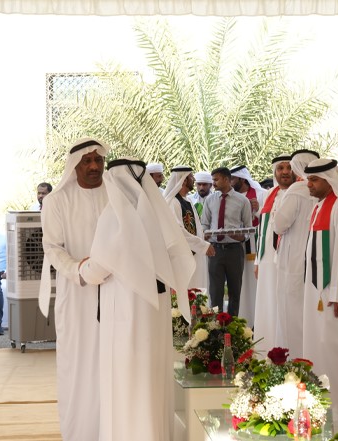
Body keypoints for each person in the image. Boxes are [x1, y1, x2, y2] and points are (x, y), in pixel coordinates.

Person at [78, 158, 194, 441]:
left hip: (125, 311)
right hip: (155, 310)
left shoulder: (115, 215)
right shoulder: (158, 215)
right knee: (152, 377)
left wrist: (81, 268)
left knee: (127, 379)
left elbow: (98, 268)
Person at [39, 137, 109, 441]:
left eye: (98, 160)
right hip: (77, 293)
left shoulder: (117, 195)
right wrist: (78, 269)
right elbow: (53, 247)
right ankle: (80, 432)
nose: (94, 166)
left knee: (113, 361)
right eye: (86, 161)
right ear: (74, 165)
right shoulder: (57, 201)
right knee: (79, 363)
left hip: (116, 293)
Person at [301, 158, 338, 431]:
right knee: (315, 342)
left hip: (331, 291)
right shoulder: (318, 206)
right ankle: (317, 403)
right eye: (308, 179)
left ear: (329, 180)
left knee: (332, 346)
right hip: (314, 290)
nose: (309, 184)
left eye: (314, 180)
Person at [272, 149, 320, 356]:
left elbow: (279, 225)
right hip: (314, 256)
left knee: (291, 309)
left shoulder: (297, 190)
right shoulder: (324, 189)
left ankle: (294, 357)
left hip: (293, 258)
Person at [253, 155, 293, 354]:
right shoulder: (270, 194)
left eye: (288, 167)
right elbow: (262, 229)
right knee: (267, 302)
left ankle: (284, 350)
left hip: (287, 258)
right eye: (280, 168)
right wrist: (258, 261)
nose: (284, 172)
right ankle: (266, 349)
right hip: (267, 259)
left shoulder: (299, 193)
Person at [200, 167, 252, 315]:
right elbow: (204, 224)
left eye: (216, 179)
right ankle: (216, 325)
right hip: (215, 250)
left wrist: (241, 237)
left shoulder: (242, 201)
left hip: (235, 250)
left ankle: (233, 324)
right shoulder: (210, 200)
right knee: (215, 291)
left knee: (235, 290)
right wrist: (205, 235)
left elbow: (248, 228)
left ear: (226, 179)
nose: (213, 183)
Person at [163, 166, 214, 291]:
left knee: (197, 293)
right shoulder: (173, 202)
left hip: (194, 256)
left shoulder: (187, 201)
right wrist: (202, 245)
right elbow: (178, 232)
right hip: (182, 259)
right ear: (184, 180)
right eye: (191, 177)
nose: (194, 179)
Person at [230, 165, 268, 328]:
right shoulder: (230, 197)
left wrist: (258, 210)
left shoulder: (261, 194)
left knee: (255, 284)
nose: (230, 183)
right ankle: (242, 319)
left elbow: (270, 219)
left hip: (255, 246)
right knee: (240, 285)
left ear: (242, 179)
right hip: (235, 247)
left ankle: (258, 321)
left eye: (232, 179)